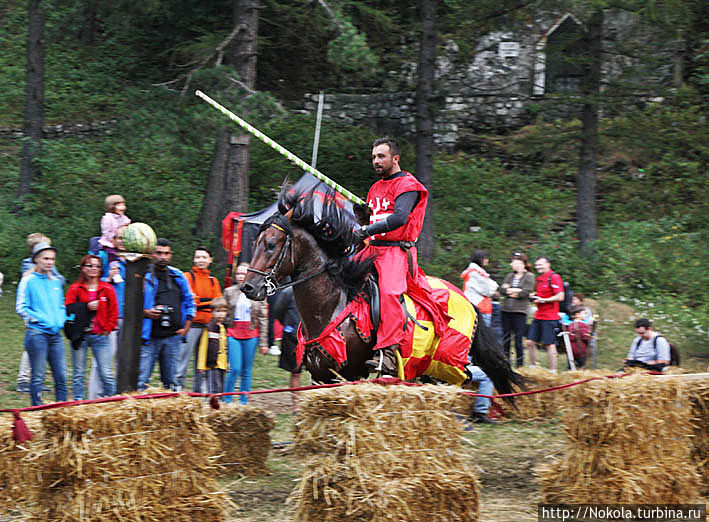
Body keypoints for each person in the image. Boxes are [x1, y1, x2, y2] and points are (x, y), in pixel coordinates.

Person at [352, 137, 445, 376]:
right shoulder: (375, 187)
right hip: (371, 248)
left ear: (395, 158)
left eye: (381, 156)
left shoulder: (408, 184)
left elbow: (399, 219)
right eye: (373, 157)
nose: (376, 161)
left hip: (395, 251)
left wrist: (366, 229)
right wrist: (363, 219)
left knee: (390, 294)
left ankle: (388, 353)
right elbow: (375, 218)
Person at [138, 239, 195, 391]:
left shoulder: (177, 276)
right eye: (159, 253)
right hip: (148, 337)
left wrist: (186, 329)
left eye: (166, 253)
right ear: (152, 254)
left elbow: (190, 301)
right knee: (141, 380)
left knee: (172, 382)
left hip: (173, 336)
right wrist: (146, 313)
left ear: (171, 255)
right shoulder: (143, 276)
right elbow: (130, 304)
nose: (163, 257)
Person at [15, 242, 68, 405]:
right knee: (38, 376)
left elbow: (60, 304)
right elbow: (21, 307)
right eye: (45, 258)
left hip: (56, 335)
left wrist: (61, 319)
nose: (49, 262)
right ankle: (37, 409)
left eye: (52, 259)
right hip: (37, 334)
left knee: (61, 376)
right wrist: (38, 319)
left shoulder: (55, 283)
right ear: (36, 259)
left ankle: (62, 409)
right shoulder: (28, 280)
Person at [65, 255, 119, 400]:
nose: (93, 269)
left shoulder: (107, 288)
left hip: (100, 335)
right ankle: (78, 401)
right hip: (80, 335)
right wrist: (86, 307)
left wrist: (107, 329)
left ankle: (112, 400)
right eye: (90, 265)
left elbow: (114, 312)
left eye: (97, 266)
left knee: (106, 373)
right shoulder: (75, 288)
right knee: (78, 373)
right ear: (83, 268)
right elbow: (68, 309)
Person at [88, 225, 127, 399]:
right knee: (102, 360)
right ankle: (94, 398)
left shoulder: (135, 262)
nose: (122, 241)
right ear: (113, 240)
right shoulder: (105, 259)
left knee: (122, 361)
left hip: (128, 318)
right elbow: (91, 285)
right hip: (108, 318)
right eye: (119, 238)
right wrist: (108, 278)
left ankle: (114, 396)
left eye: (125, 238)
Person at [223, 263, 269, 404]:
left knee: (246, 370)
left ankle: (244, 401)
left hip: (251, 334)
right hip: (233, 332)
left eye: (243, 274)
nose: (241, 277)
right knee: (235, 368)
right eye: (238, 274)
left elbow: (263, 318)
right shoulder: (229, 292)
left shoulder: (258, 292)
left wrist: (263, 342)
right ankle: (227, 399)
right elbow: (222, 312)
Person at [178, 246, 222, 392]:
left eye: (204, 257)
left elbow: (218, 302)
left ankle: (199, 393)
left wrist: (203, 303)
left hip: (208, 326)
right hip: (191, 325)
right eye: (198, 257)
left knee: (203, 362)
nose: (200, 260)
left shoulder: (213, 281)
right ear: (194, 259)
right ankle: (177, 389)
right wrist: (207, 303)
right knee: (182, 360)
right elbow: (192, 300)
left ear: (210, 260)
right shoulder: (188, 277)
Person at [526, 256, 565, 373]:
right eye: (537, 265)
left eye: (541, 264)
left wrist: (544, 300)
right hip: (538, 315)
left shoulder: (554, 277)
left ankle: (553, 371)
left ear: (548, 264)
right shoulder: (540, 278)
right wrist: (534, 295)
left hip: (550, 317)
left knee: (549, 344)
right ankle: (533, 367)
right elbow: (542, 293)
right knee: (530, 342)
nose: (538, 267)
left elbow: (560, 296)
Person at [500, 252, 535, 367]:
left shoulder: (529, 276)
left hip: (519, 312)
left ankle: (520, 364)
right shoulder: (510, 275)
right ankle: (506, 362)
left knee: (518, 339)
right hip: (506, 310)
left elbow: (526, 292)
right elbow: (502, 290)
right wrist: (515, 290)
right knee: (506, 338)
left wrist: (511, 290)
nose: (511, 264)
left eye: (513, 262)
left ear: (521, 263)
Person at [270, 287, 302, 412]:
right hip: (292, 337)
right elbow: (278, 311)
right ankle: (296, 405)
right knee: (295, 372)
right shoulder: (288, 292)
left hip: (313, 336)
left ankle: (315, 402)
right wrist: (290, 326)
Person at [196, 297, 229, 394]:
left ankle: (218, 405)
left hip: (222, 364)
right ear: (212, 312)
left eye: (223, 311)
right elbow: (203, 347)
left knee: (220, 388)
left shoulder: (224, 327)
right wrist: (201, 365)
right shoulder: (209, 328)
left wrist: (227, 364)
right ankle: (212, 405)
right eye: (218, 311)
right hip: (212, 364)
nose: (221, 314)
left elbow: (225, 348)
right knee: (213, 388)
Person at [461, 250, 499, 327]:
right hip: (480, 307)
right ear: (479, 259)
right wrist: (493, 289)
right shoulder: (476, 273)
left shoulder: (476, 272)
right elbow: (487, 291)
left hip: (475, 306)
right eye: (485, 258)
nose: (487, 260)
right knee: (482, 335)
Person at [99, 194, 131, 263]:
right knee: (111, 253)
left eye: (123, 205)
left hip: (121, 241)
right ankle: (113, 265)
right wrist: (112, 239)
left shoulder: (123, 217)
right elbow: (106, 232)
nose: (122, 207)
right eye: (119, 206)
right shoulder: (107, 218)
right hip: (109, 242)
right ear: (112, 207)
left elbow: (128, 226)